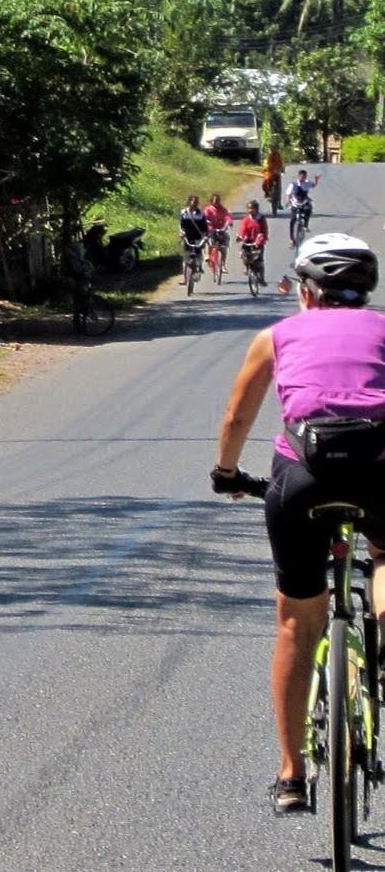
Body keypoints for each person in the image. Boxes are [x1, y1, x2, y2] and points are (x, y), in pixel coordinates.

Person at [211, 233, 385, 815]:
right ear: (365, 293)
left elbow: (239, 414)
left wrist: (227, 474)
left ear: (307, 293)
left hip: (301, 478)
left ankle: (290, 774)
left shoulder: (276, 336)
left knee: (294, 623)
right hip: (380, 472)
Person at [236, 199, 268, 285]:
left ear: (256, 209)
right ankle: (246, 267)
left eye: (252, 208)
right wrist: (240, 237)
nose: (250, 210)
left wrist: (262, 238)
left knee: (259, 261)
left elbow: (264, 230)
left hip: (258, 241)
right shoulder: (246, 219)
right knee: (243, 254)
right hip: (248, 240)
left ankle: (262, 278)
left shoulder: (261, 218)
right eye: (249, 208)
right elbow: (242, 229)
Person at [286, 169, 321, 246]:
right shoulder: (293, 184)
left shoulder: (307, 183)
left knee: (308, 209)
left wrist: (316, 180)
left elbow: (313, 185)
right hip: (295, 204)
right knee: (292, 220)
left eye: (304, 177)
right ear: (298, 176)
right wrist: (288, 201)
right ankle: (292, 239)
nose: (302, 178)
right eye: (301, 176)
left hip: (304, 202)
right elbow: (288, 194)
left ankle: (305, 225)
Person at [179, 194, 208, 285]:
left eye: (196, 202)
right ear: (189, 202)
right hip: (187, 238)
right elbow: (181, 225)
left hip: (198, 238)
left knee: (198, 255)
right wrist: (181, 233)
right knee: (186, 259)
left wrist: (205, 236)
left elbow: (205, 227)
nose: (194, 203)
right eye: (193, 201)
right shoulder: (184, 212)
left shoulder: (201, 214)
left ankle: (199, 268)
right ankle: (185, 279)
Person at [203, 193, 233, 273]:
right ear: (211, 201)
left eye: (217, 201)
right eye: (214, 201)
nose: (216, 202)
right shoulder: (208, 209)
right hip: (211, 230)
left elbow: (227, 216)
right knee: (209, 240)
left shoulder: (223, 209)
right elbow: (204, 217)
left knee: (224, 248)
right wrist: (207, 223)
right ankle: (207, 255)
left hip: (221, 230)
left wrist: (229, 222)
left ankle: (223, 265)